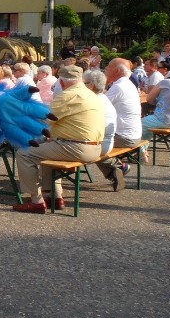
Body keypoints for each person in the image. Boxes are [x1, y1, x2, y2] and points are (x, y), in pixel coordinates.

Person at [13, 65, 105, 213]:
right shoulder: (90, 94)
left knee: (24, 153)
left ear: (61, 82)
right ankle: (54, 197)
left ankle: (37, 201)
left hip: (77, 147)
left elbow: (44, 119)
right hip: (94, 147)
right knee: (45, 149)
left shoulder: (67, 96)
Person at [97, 59, 143, 191]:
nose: (105, 68)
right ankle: (116, 170)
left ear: (117, 70)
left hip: (124, 136)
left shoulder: (118, 86)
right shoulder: (127, 84)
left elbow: (99, 105)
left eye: (109, 66)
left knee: (89, 145)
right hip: (133, 133)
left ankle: (118, 167)